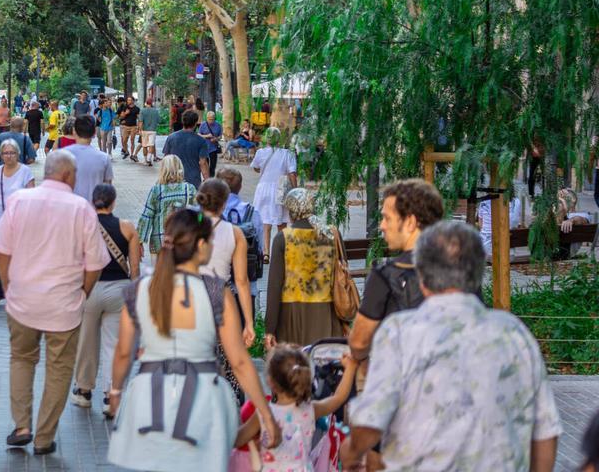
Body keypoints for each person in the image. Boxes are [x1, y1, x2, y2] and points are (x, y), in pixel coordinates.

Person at [340, 222, 561, 472]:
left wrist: (351, 451)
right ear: (478, 273)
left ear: (422, 276)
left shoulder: (400, 332)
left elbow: (371, 423)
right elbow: (545, 429)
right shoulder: (514, 333)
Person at [107, 209, 278, 471]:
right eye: (209, 240)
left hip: (148, 398)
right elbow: (240, 363)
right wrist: (265, 414)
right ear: (200, 245)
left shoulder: (140, 288)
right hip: (202, 399)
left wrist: (116, 391)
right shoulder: (216, 291)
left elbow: (123, 352)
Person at [0, 150, 110, 455]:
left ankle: (22, 426)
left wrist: (7, 285)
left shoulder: (19, 201)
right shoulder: (82, 209)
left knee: (21, 359)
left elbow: (1, 251)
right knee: (58, 369)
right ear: (68, 176)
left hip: (22, 301)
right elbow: (95, 264)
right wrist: (83, 292)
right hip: (64, 306)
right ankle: (43, 437)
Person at [348, 178, 443, 379]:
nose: (382, 225)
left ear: (410, 222)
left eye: (387, 218)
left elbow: (358, 342)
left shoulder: (385, 276)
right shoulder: (460, 270)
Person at [70, 183, 140, 416]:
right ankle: (111, 395)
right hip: (118, 290)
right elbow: (135, 269)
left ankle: (83, 391)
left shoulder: (82, 227)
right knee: (113, 344)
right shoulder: (128, 227)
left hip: (90, 289)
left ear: (93, 202)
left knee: (86, 342)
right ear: (113, 202)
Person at [234, 344, 359, 472]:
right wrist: (350, 368)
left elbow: (237, 439)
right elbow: (338, 398)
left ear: (271, 382)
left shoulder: (264, 414)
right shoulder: (311, 410)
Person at [195, 178, 255, 402]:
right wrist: (248, 322)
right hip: (222, 295)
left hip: (190, 295)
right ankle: (228, 402)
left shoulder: (188, 225)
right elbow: (242, 280)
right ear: (224, 204)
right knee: (228, 355)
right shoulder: (235, 233)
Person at [263, 188, 343, 350]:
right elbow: (341, 276)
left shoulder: (283, 238)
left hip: (291, 315)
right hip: (326, 312)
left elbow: (274, 286)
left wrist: (270, 329)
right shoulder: (331, 234)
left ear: (291, 211)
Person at [0, 139, 35, 306]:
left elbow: (32, 198)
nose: (9, 156)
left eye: (12, 153)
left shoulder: (25, 172)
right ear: (1, 155)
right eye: (5, 153)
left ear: (18, 154)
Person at [217, 168, 263, 315]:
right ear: (240, 187)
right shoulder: (253, 213)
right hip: (247, 284)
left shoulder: (210, 213)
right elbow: (259, 247)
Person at [137, 155, 198, 256]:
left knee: (161, 271)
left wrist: (139, 241)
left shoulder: (157, 190)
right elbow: (198, 214)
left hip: (160, 241)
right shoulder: (189, 189)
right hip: (184, 239)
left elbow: (147, 215)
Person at [250, 127, 298, 258]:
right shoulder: (287, 153)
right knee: (281, 221)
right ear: (279, 139)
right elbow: (292, 174)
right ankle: (280, 252)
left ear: (267, 138)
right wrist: (295, 190)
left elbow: (255, 167)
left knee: (266, 221)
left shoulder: (260, 152)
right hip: (280, 188)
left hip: (263, 188)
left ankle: (266, 252)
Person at [64, 115, 113, 200]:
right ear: (94, 133)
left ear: (74, 131)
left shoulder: (61, 155)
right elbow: (107, 188)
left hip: (69, 208)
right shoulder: (104, 158)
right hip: (94, 209)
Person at [161, 109, 214, 189]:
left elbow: (165, 159)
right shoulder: (201, 141)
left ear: (183, 121)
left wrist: (163, 178)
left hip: (173, 180)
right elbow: (203, 163)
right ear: (195, 123)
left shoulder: (171, 137)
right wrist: (207, 182)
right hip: (193, 182)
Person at [196, 111, 222, 176]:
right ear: (207, 118)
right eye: (209, 119)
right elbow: (198, 134)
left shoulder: (218, 125)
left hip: (213, 148)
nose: (211, 121)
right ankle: (206, 178)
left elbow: (220, 136)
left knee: (213, 166)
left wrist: (216, 139)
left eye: (212, 119)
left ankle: (211, 179)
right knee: (205, 165)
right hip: (204, 147)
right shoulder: (203, 124)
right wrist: (207, 136)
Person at [136, 98, 161, 164]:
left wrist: (140, 130)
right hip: (153, 130)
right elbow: (159, 121)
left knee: (144, 146)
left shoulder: (142, 111)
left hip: (144, 130)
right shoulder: (156, 111)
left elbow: (140, 121)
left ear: (146, 103)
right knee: (151, 145)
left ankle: (145, 160)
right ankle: (149, 158)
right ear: (152, 103)